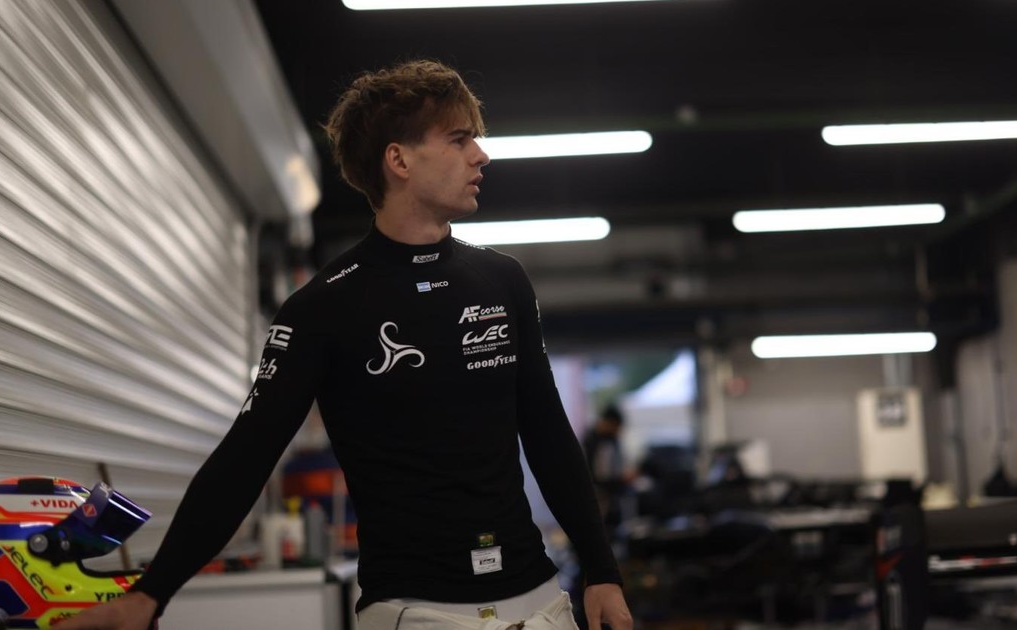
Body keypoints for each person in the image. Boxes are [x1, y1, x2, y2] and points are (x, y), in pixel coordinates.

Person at [62, 59, 632, 630]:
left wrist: (602, 570)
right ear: (398, 160)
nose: (480, 156)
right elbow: (245, 457)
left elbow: (549, 434)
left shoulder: (503, 282)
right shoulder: (322, 309)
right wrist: (151, 594)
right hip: (414, 612)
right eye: (459, 139)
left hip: (540, 600)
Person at [582, 405, 629, 531]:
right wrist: (622, 478)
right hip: (600, 493)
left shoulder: (606, 439)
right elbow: (602, 475)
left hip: (606, 492)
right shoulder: (596, 441)